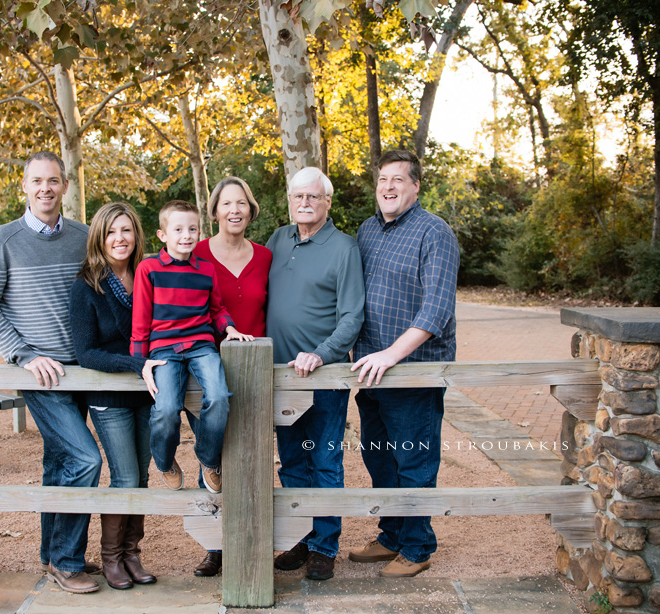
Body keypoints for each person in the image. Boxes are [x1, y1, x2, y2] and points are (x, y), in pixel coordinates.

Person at [0, 151, 102, 595]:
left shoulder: (86, 237)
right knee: (86, 458)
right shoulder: (2, 240)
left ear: (65, 186)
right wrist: (23, 355)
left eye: (53, 180)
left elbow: (104, 293)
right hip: (41, 375)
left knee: (61, 461)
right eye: (36, 181)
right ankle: (68, 561)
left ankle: (51, 553)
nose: (45, 188)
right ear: (24, 187)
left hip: (84, 370)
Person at [348, 150, 460, 578]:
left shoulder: (435, 233)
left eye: (398, 179)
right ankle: (392, 535)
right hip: (371, 371)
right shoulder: (367, 231)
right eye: (383, 180)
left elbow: (436, 309)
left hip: (413, 370)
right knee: (379, 458)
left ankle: (417, 547)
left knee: (413, 461)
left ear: (415, 186)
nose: (389, 186)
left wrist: (392, 355)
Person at [265, 167, 365, 581]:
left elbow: (351, 317)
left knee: (324, 461)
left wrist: (321, 355)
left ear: (327, 202)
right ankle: (299, 538)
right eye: (298, 197)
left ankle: (325, 545)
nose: (304, 204)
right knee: (291, 461)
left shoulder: (343, 248)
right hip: (279, 377)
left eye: (312, 197)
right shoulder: (277, 239)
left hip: (322, 378)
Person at [69, 202, 163, 590]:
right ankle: (111, 559)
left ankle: (132, 555)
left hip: (148, 393)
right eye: (111, 232)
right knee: (124, 477)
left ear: (136, 235)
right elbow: (85, 352)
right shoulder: (86, 285)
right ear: (99, 238)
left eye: (126, 231)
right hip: (109, 397)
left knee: (141, 477)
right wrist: (135, 363)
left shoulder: (149, 274)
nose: (119, 239)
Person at [131, 200, 253, 495]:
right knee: (167, 409)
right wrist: (139, 362)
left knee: (220, 397)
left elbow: (217, 310)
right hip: (164, 351)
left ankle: (209, 460)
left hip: (201, 346)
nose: (186, 235)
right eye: (178, 229)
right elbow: (140, 318)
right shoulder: (148, 269)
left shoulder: (206, 270)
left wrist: (231, 328)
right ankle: (164, 461)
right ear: (163, 235)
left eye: (192, 229)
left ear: (200, 232)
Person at [189, 177, 272, 577]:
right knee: (214, 459)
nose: (235, 210)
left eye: (242, 202)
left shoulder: (267, 256)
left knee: (252, 457)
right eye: (227, 204)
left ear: (250, 209)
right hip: (206, 368)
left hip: (256, 370)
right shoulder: (196, 253)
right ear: (215, 211)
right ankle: (216, 548)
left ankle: (251, 543)